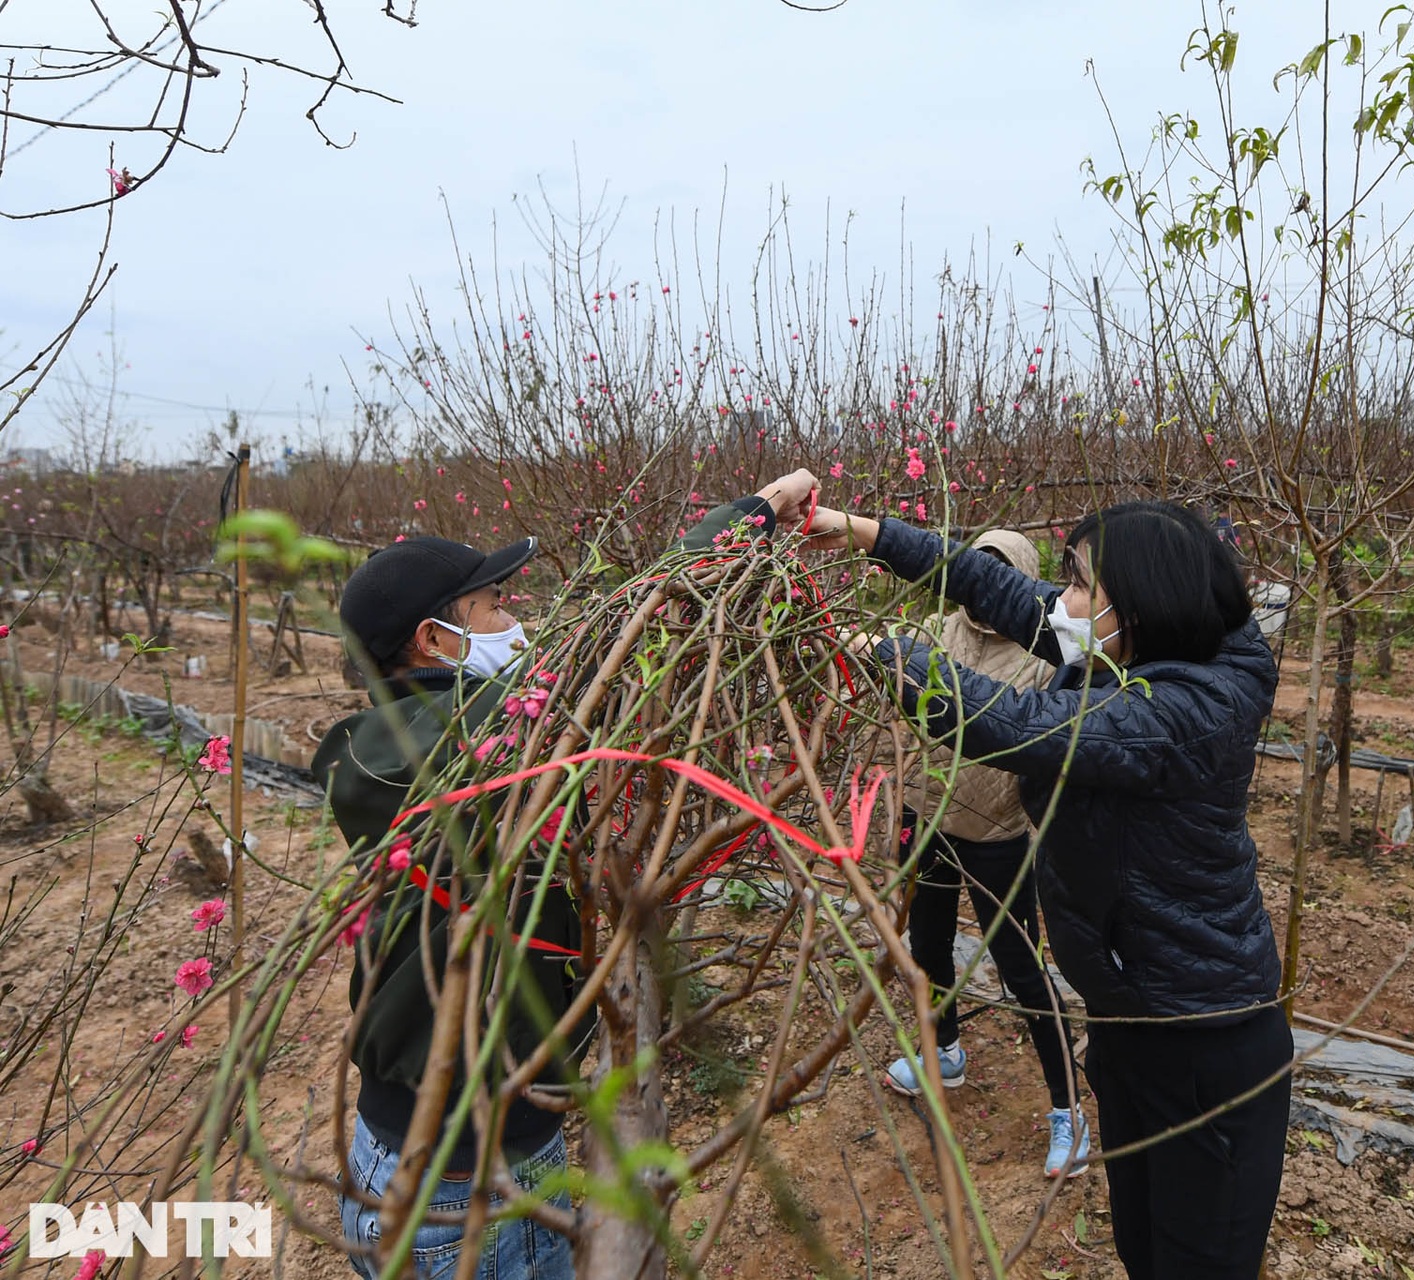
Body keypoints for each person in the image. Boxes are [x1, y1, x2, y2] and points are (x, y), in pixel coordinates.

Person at [314, 472, 818, 1280]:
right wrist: (755, 513)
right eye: (497, 607)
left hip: (420, 1157)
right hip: (474, 1188)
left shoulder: (425, 736)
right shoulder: (435, 746)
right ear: (435, 639)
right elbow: (611, 639)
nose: (519, 621)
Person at [803, 491, 1292, 1280]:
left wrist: (887, 655)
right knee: (1142, 1244)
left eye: (1079, 584)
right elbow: (1001, 591)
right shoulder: (1129, 644)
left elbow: (1017, 724)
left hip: (1206, 1044)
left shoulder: (1190, 708)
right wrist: (863, 532)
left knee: (1198, 1264)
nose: (1059, 601)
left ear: (1138, 604)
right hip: (1133, 1015)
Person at [884, 528, 1088, 1179]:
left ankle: (1069, 1112)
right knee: (929, 946)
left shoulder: (1045, 657)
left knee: (1022, 971)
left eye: (997, 575)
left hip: (996, 834)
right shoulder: (938, 627)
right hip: (927, 816)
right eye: (974, 570)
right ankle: (943, 1051)